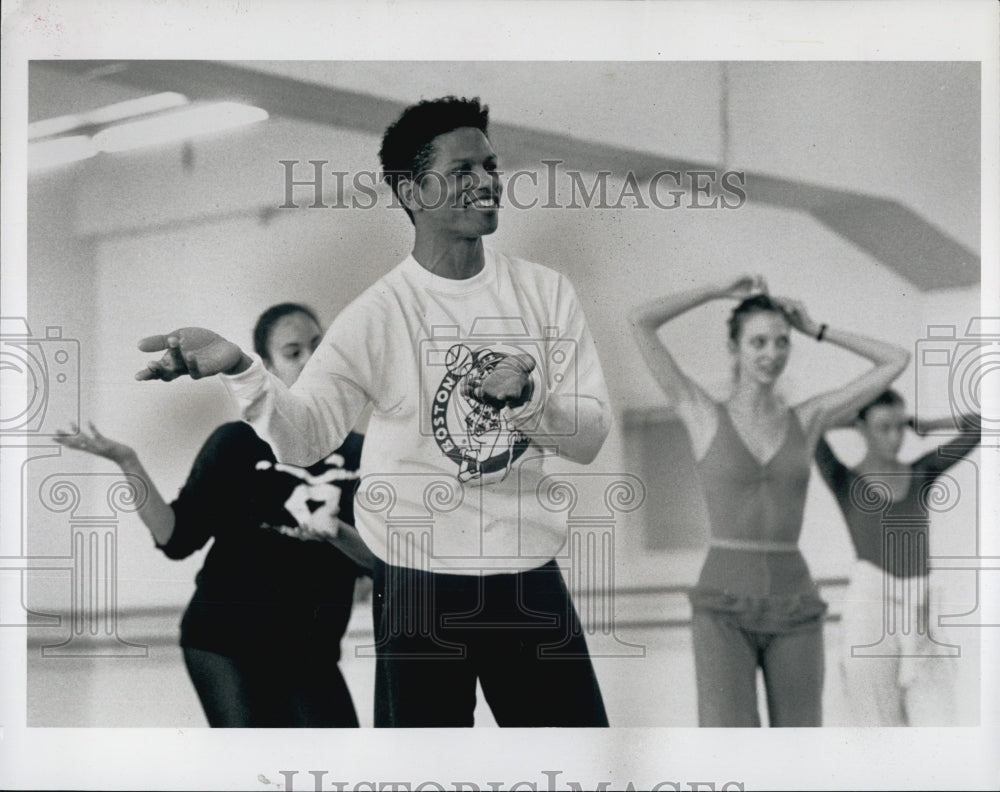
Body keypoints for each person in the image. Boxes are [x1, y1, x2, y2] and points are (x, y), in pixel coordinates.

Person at [134, 97, 612, 727]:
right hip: (419, 584)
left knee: (578, 766)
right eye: (463, 169)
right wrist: (241, 368)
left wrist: (527, 401)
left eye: (491, 166)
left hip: (526, 576)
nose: (488, 181)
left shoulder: (545, 292)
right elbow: (304, 440)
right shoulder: (377, 314)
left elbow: (588, 437)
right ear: (413, 190)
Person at [57, 303, 374, 727]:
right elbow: (176, 538)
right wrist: (127, 461)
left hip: (309, 648)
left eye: (318, 345)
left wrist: (335, 533)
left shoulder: (363, 452)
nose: (311, 359)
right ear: (271, 369)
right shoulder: (236, 444)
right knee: (252, 770)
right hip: (225, 640)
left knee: (339, 768)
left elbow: (383, 562)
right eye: (293, 352)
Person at [630, 277, 910, 727]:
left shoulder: (810, 418)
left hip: (795, 604)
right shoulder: (702, 413)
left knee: (797, 750)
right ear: (735, 347)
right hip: (721, 607)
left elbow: (896, 359)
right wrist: (718, 290)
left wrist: (817, 329)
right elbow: (640, 321)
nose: (772, 354)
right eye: (758, 341)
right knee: (730, 747)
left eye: (782, 342)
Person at [814, 390, 981, 725]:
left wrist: (926, 423)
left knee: (938, 725)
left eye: (899, 427)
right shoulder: (844, 479)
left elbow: (979, 426)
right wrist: (851, 420)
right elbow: (812, 427)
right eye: (883, 427)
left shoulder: (922, 472)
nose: (894, 437)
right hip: (870, 608)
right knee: (877, 725)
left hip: (921, 608)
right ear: (862, 427)